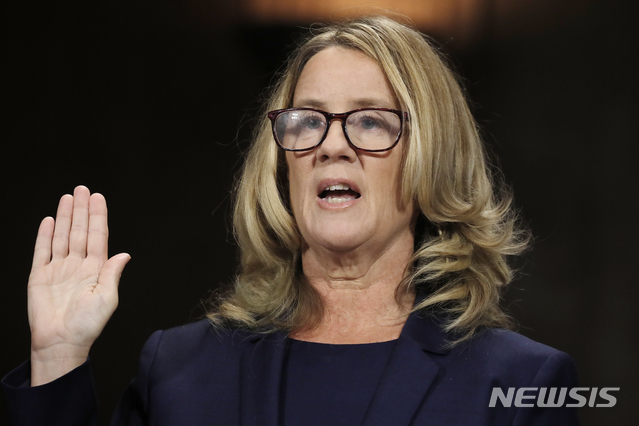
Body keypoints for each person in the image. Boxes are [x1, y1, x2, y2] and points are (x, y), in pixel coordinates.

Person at [3, 15, 579, 426]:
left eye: (371, 122)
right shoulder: (179, 370)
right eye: (308, 121)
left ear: (432, 156)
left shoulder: (522, 385)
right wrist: (57, 357)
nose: (333, 145)